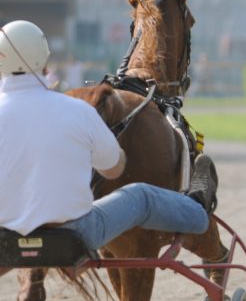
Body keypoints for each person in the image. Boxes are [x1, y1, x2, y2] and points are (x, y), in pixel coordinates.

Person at [0, 20, 218, 252]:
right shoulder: (77, 110)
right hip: (75, 237)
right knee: (140, 195)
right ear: (43, 59)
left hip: (5, 241)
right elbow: (113, 169)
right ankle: (196, 207)